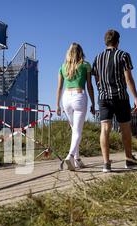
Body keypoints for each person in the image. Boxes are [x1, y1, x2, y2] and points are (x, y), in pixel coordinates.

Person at [92, 30, 137, 173]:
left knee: (104, 130)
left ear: (105, 41)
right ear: (118, 41)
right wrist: (136, 97)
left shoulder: (98, 58)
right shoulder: (123, 55)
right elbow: (128, 78)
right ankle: (129, 160)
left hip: (104, 98)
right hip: (120, 97)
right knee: (125, 128)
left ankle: (106, 164)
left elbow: (96, 79)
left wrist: (101, 90)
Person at [56, 43, 95, 171]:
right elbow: (89, 86)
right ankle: (70, 156)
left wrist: (57, 105)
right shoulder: (85, 65)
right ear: (80, 52)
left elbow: (59, 87)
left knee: (74, 130)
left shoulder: (63, 67)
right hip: (79, 96)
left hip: (65, 98)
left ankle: (77, 160)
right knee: (78, 131)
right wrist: (93, 103)